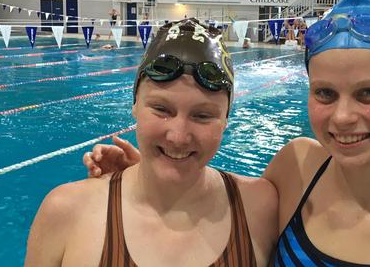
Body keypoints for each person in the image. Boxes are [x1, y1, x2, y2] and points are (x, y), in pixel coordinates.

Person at [84, 0, 370, 266]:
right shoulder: (297, 169)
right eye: (326, 94)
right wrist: (158, 169)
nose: (343, 116)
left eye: (368, 93)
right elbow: (216, 206)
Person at [25, 18, 278, 266]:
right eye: (161, 109)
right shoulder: (65, 212)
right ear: (134, 105)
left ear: (225, 120)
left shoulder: (260, 206)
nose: (178, 136)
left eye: (202, 115)